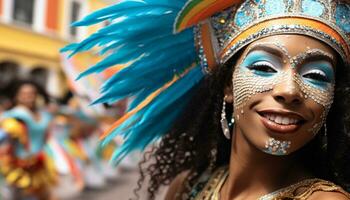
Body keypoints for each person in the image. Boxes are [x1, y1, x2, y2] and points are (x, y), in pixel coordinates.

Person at [63, 0, 350, 199]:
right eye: (264, 68)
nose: (289, 90)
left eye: (317, 75)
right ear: (227, 86)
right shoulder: (188, 186)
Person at [0, 80, 56, 200]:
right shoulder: (14, 116)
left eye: (31, 93)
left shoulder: (44, 114)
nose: (28, 97)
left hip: (40, 164)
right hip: (20, 166)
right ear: (17, 96)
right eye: (24, 93)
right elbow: (3, 140)